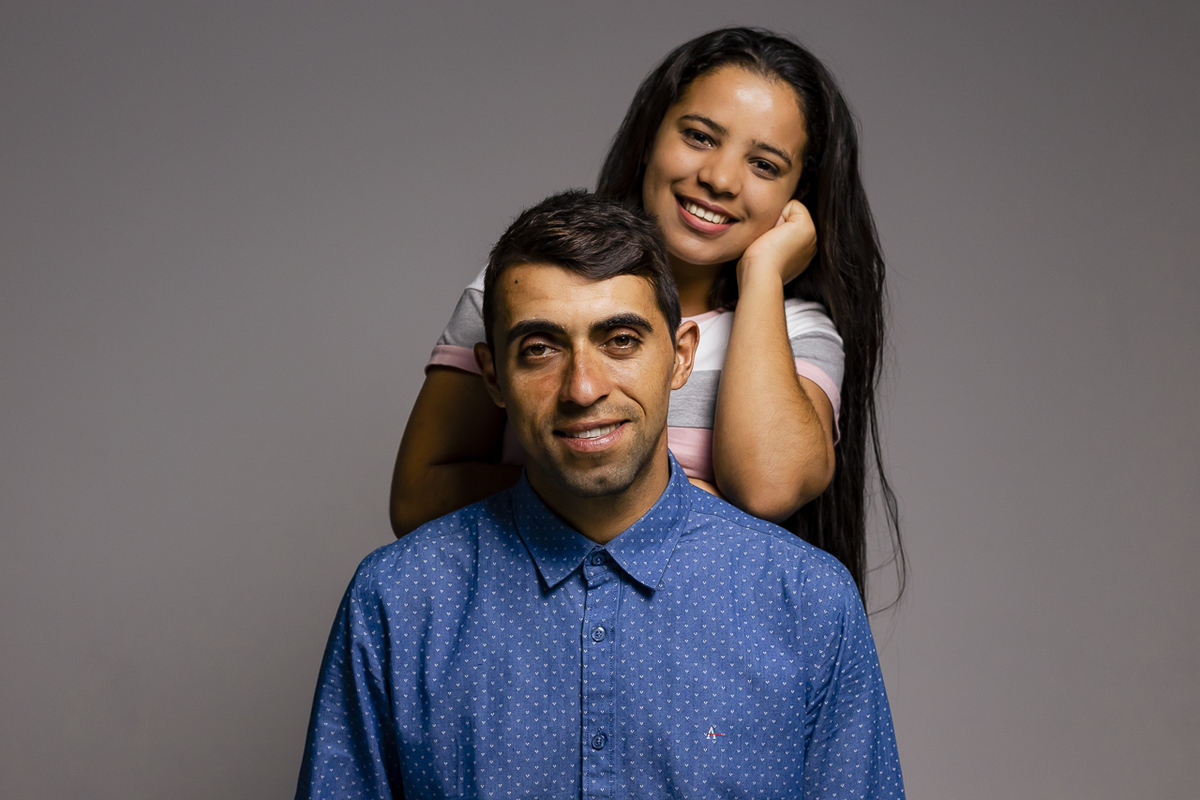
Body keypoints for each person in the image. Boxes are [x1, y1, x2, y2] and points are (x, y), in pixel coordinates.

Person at [297, 191, 905, 798]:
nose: (583, 388)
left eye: (620, 340)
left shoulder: (808, 602)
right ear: (493, 376)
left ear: (680, 358)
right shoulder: (396, 601)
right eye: (540, 349)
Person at [390, 27, 903, 607]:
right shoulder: (519, 295)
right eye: (699, 136)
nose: (720, 179)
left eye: (764, 164)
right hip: (516, 628)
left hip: (699, 645)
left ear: (796, 193)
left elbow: (768, 488)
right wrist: (637, 496)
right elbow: (416, 498)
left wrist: (763, 274)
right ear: (652, 134)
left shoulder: (797, 334)